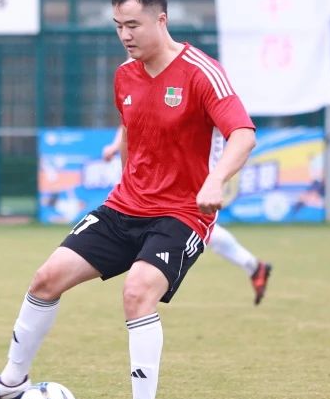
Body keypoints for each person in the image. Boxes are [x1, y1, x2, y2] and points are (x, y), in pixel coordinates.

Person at [0, 0, 256, 399]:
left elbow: (243, 133)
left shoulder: (201, 72)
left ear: (161, 19)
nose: (125, 35)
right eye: (117, 26)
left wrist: (216, 180)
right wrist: (125, 159)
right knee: (45, 279)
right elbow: (133, 125)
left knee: (137, 292)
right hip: (124, 206)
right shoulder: (125, 75)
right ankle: (12, 381)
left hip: (181, 214)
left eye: (133, 25)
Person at [102, 126, 272, 304]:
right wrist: (116, 145)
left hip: (176, 177)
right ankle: (253, 266)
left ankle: (253, 266)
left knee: (198, 227)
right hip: (150, 175)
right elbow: (127, 123)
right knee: (205, 231)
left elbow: (242, 135)